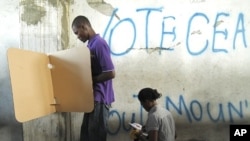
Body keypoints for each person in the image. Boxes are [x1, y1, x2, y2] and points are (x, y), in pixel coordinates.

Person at [71, 15, 115, 141]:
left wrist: (90, 80)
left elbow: (111, 73)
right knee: (86, 136)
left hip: (100, 99)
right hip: (92, 99)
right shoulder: (91, 45)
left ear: (83, 26)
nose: (78, 37)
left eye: (77, 33)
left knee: (95, 137)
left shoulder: (99, 44)